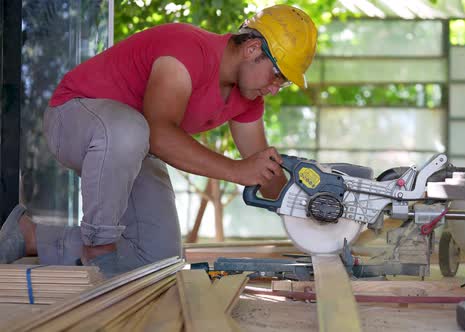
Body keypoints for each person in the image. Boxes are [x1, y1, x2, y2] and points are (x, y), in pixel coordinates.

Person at [0, 4, 318, 277]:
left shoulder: (248, 98)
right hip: (73, 118)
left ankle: (31, 236)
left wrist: (311, 207)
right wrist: (236, 171)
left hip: (135, 143)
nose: (276, 87)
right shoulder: (189, 48)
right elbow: (161, 132)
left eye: (284, 83)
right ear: (252, 49)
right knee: (131, 129)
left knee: (160, 259)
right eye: (277, 75)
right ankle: (99, 248)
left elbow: (262, 171)